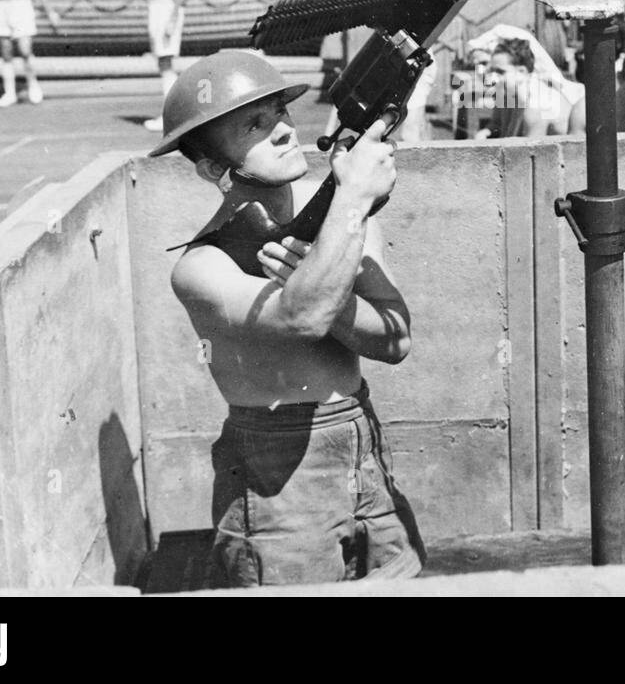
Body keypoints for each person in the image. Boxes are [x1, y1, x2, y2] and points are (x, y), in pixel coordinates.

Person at [152, 51, 424, 585]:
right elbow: (302, 317)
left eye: (279, 111)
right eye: (254, 124)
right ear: (212, 168)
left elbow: (395, 341)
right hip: (275, 483)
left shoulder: (336, 217)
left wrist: (339, 243)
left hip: (362, 447)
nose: (282, 130)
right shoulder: (201, 266)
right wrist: (352, 202)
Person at [476, 38, 575, 139]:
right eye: (492, 71)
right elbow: (496, 124)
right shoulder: (508, 93)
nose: (493, 78)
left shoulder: (537, 105)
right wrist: (485, 132)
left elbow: (528, 152)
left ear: (521, 72)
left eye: (500, 72)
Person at [141, 0, 185, 133]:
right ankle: (173, 114)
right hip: (156, 9)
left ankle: (171, 117)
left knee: (165, 62)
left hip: (166, 9)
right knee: (163, 63)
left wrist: (172, 19)